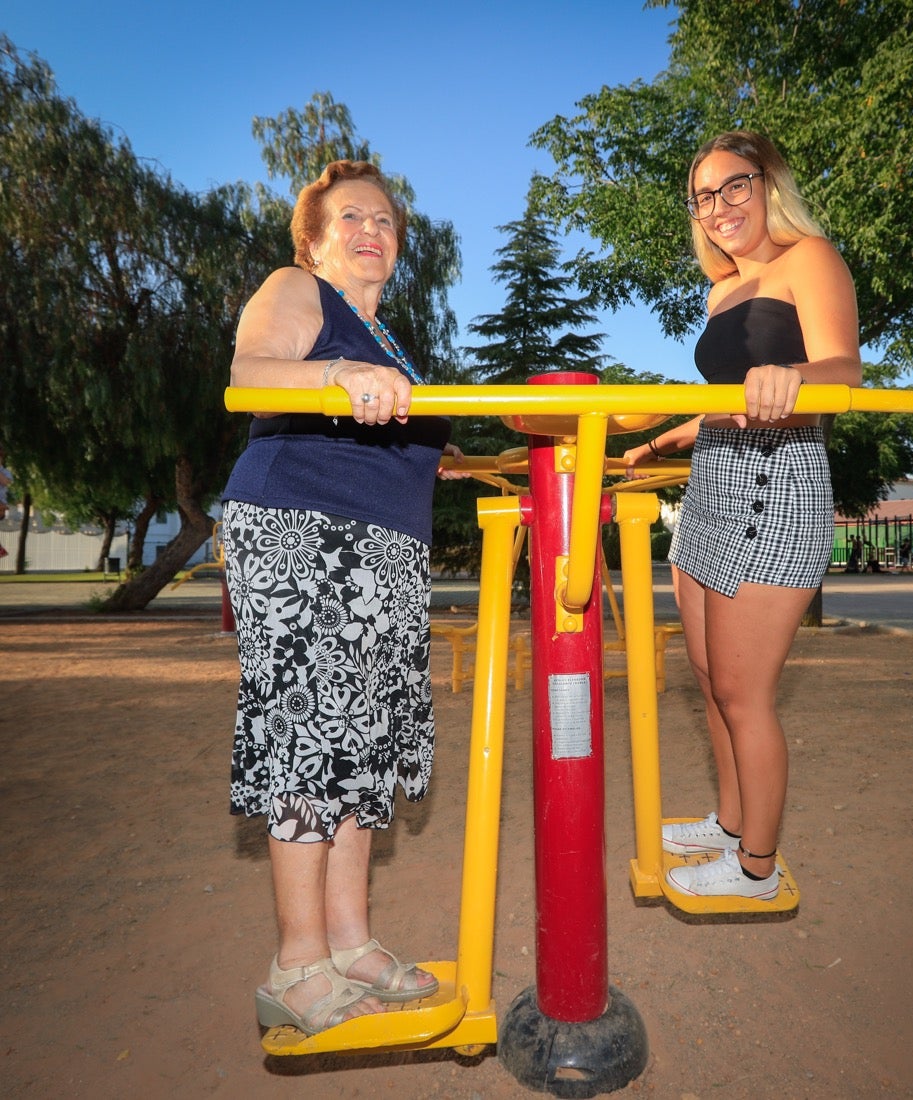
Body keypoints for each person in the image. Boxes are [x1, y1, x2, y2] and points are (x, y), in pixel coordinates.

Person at [221, 160, 464, 1035]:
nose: (373, 229)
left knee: (364, 751)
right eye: (351, 216)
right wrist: (334, 377)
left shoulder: (388, 339)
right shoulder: (299, 292)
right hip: (302, 528)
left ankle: (351, 942)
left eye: (387, 219)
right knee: (309, 737)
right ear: (315, 240)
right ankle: (294, 964)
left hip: (385, 547)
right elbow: (250, 370)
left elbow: (394, 432)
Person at [631, 131, 861, 899]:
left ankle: (756, 868)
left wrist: (788, 374)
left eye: (736, 186)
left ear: (769, 185)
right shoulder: (720, 289)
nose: (720, 206)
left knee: (743, 691)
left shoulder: (810, 258)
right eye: (704, 195)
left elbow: (843, 369)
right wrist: (666, 435)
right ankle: (730, 824)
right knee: (705, 677)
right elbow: (729, 400)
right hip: (714, 483)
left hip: (777, 481)